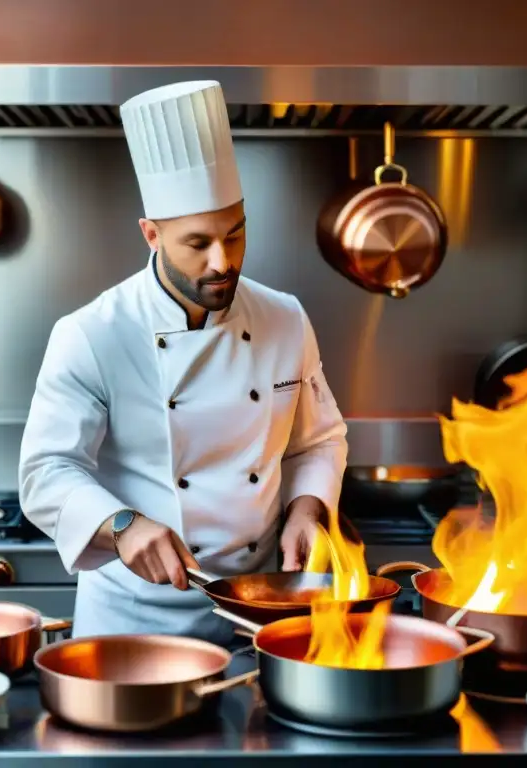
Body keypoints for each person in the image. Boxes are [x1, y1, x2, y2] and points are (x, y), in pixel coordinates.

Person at [18, 80, 348, 645]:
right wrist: (120, 524)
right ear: (152, 234)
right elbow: (44, 473)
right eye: (197, 244)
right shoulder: (92, 333)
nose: (224, 262)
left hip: (262, 610)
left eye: (236, 234)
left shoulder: (284, 318)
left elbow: (318, 441)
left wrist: (307, 507)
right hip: (135, 619)